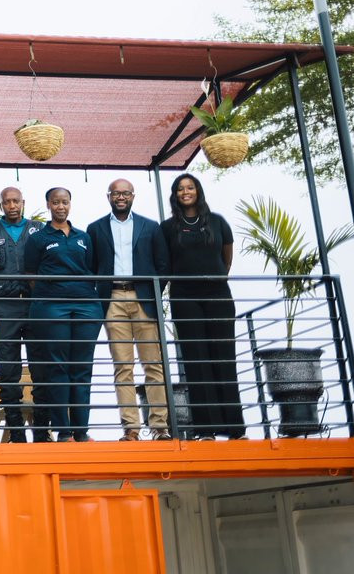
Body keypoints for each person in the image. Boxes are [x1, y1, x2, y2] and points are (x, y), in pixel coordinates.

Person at [160, 173, 245, 440]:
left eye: (190, 187)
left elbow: (226, 258)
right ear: (175, 195)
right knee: (196, 361)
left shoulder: (218, 222)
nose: (185, 192)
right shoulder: (167, 227)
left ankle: (235, 428)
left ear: (198, 190)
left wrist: (215, 278)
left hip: (218, 295)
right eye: (180, 189)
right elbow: (165, 263)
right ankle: (205, 429)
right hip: (184, 298)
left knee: (224, 358)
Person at [87, 179, 172, 441]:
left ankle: (160, 426)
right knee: (122, 366)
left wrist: (152, 293)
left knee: (153, 365)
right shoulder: (96, 228)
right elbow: (91, 266)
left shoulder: (151, 226)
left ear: (133, 196)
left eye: (125, 193)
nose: (121, 197)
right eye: (116, 193)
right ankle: (131, 428)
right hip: (112, 299)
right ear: (108, 196)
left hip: (144, 298)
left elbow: (163, 265)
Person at [23, 187, 101, 442]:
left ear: (70, 204)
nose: (60, 206)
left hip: (86, 306)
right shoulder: (38, 238)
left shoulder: (83, 237)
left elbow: (91, 268)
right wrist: (50, 293)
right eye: (55, 202)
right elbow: (30, 273)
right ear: (48, 205)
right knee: (58, 367)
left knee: (82, 367)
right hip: (51, 306)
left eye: (64, 202)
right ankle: (64, 432)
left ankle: (81, 431)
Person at [0, 187, 44, 442]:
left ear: (23, 202)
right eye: (7, 202)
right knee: (8, 370)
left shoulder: (39, 229)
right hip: (3, 308)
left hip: (35, 307)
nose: (12, 205)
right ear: (1, 205)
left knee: (41, 368)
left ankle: (42, 432)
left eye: (16, 201)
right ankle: (16, 434)